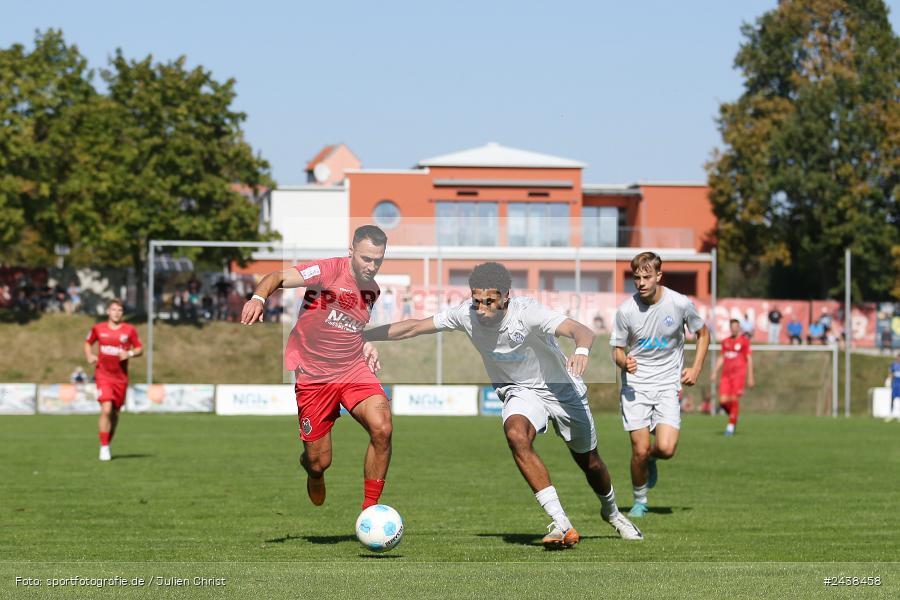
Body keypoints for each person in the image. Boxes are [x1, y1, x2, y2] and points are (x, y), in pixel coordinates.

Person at [364, 262, 643, 548]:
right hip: (521, 391)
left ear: (506, 297)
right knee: (516, 434)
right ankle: (561, 523)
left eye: (489, 301)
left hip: (562, 390)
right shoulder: (465, 314)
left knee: (590, 462)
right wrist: (363, 335)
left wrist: (582, 350)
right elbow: (413, 327)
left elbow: (581, 330)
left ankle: (612, 513)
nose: (481, 309)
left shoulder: (527, 313)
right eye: (477, 301)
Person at [241, 225, 389, 510]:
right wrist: (258, 298)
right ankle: (311, 467)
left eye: (378, 260)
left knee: (382, 428)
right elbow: (278, 276)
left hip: (351, 368)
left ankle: (371, 511)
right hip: (314, 376)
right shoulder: (327, 270)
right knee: (320, 462)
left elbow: (350, 327)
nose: (372, 266)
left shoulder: (372, 291)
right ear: (351, 252)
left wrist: (366, 343)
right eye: (366, 259)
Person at [610, 252, 710, 518]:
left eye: (646, 277)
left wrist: (696, 367)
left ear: (658, 276)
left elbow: (703, 333)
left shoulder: (679, 304)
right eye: (636, 278)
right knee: (639, 451)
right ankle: (639, 501)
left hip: (667, 385)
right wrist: (624, 362)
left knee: (665, 449)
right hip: (636, 387)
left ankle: (653, 460)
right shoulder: (626, 311)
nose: (641, 283)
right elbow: (617, 350)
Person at [83, 299, 143, 461]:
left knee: (115, 414)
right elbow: (88, 343)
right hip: (103, 375)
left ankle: (107, 443)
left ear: (122, 313)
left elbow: (139, 349)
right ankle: (103, 447)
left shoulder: (129, 330)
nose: (116, 313)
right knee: (106, 409)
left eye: (120, 310)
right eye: (113, 310)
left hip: (120, 378)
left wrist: (129, 354)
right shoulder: (98, 328)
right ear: (108, 311)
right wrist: (89, 355)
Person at [710, 319, 754, 436]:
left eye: (736, 326)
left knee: (734, 399)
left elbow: (749, 359)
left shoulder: (744, 341)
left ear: (739, 328)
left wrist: (750, 377)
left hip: (739, 375)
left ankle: (730, 426)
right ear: (730, 328)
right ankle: (734, 416)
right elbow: (722, 357)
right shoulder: (725, 342)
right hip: (726, 375)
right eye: (732, 327)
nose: (734, 329)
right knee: (723, 401)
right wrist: (715, 371)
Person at [888, 353, 900, 422]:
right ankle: (891, 414)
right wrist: (889, 380)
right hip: (895, 385)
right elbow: (891, 373)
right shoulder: (894, 365)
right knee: (893, 399)